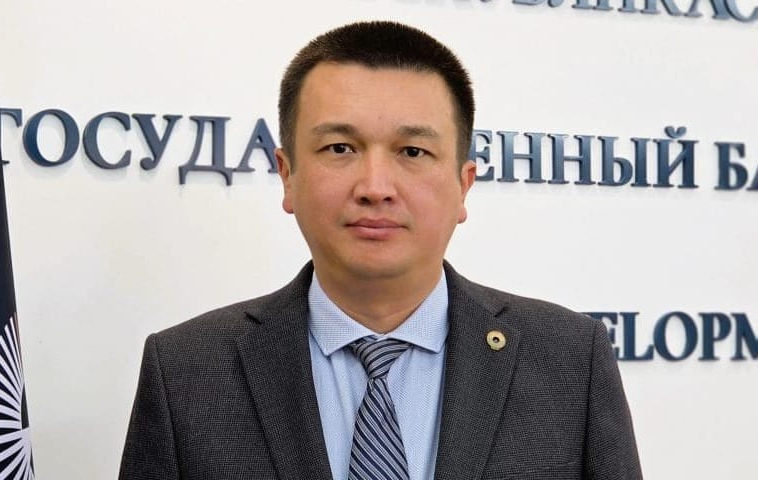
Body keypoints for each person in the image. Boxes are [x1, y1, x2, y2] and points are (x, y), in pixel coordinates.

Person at [119, 21, 642, 480]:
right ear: (287, 176)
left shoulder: (571, 361)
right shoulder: (186, 372)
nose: (375, 187)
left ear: (463, 185)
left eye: (412, 151)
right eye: (340, 148)